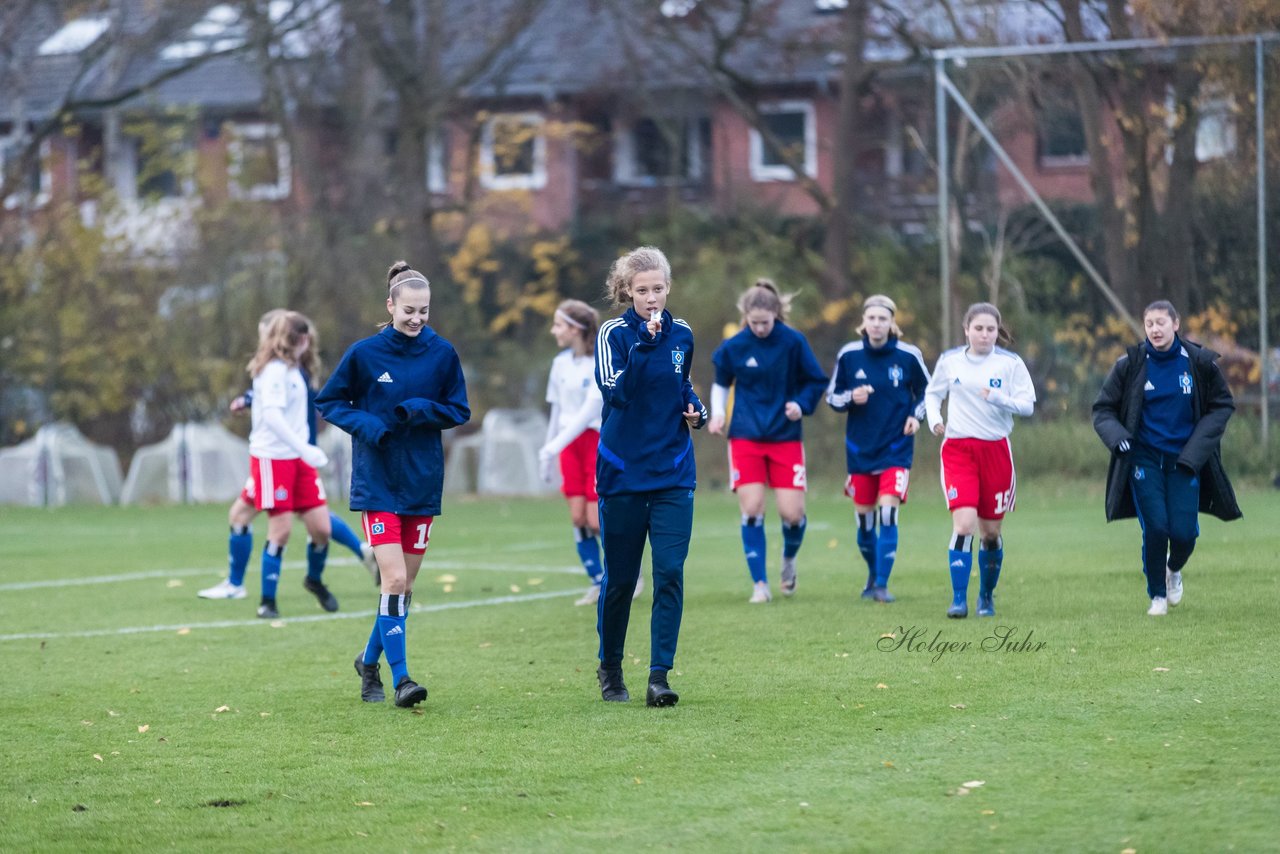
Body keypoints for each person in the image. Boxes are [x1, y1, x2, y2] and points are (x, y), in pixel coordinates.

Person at [317, 261, 470, 708]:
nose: (417, 319)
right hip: (378, 481)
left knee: (402, 587)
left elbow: (459, 409)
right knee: (394, 577)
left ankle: (368, 660)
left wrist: (419, 409)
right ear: (390, 305)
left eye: (424, 311)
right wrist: (368, 425)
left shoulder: (442, 354)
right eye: (408, 310)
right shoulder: (365, 354)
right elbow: (328, 401)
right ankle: (401, 679)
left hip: (422, 483)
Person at [199, 312, 379, 609]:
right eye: (301, 337)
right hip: (275, 458)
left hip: (298, 456)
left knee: (319, 527)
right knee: (277, 528)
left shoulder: (297, 368)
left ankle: (315, 579)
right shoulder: (273, 370)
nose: (307, 342)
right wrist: (304, 447)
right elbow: (271, 413)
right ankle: (265, 601)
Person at [594, 245, 706, 707]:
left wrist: (696, 408)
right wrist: (644, 344)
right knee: (621, 579)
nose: (652, 297)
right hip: (622, 473)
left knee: (670, 572)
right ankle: (610, 666)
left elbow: (681, 385)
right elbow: (616, 393)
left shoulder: (682, 334)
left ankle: (659, 675)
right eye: (642, 290)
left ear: (667, 288)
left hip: (673, 473)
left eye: (658, 288)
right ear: (627, 292)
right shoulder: (613, 335)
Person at [1092, 300, 1241, 616]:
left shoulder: (1198, 363)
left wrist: (1196, 451)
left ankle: (1173, 570)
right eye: (1149, 324)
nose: (1155, 329)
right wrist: (1119, 439)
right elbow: (1102, 409)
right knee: (1156, 528)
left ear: (1176, 324)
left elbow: (1222, 406)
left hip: (1184, 461)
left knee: (1185, 534)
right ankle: (1157, 596)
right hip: (1144, 460)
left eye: (1161, 322)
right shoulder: (1130, 364)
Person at [708, 279, 827, 603]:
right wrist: (718, 414)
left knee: (792, 514)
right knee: (752, 508)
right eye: (753, 322)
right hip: (745, 435)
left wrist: (800, 405)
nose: (759, 328)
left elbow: (816, 381)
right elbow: (720, 384)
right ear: (745, 316)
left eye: (765, 322)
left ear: (776, 314)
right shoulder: (734, 346)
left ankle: (788, 559)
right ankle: (759, 583)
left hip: (785, 437)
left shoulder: (793, 342)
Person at [924, 303, 1035, 619]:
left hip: (996, 452)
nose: (984, 334)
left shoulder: (1010, 364)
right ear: (966, 330)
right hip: (959, 450)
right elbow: (933, 394)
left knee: (990, 533)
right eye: (978, 328)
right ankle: (959, 599)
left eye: (990, 329)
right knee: (964, 525)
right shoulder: (950, 361)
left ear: (997, 331)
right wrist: (934, 420)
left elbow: (1027, 405)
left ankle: (986, 596)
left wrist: (1000, 399)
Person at [825, 294, 930, 603]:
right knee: (864, 521)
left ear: (892, 323)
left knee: (887, 513)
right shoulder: (849, 355)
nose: (876, 324)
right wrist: (850, 398)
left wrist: (915, 416)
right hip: (860, 451)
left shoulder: (909, 356)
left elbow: (928, 394)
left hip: (896, 449)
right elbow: (832, 397)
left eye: (883, 318)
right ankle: (873, 575)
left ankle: (882, 584)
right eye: (871, 318)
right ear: (863, 322)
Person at [538, 300, 608, 606]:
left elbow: (588, 412)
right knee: (578, 517)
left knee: (596, 519)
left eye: (558, 324)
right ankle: (597, 582)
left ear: (576, 329)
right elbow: (558, 412)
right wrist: (549, 451)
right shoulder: (560, 363)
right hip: (568, 447)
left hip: (594, 441)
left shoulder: (599, 363)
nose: (554, 331)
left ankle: (626, 573)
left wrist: (555, 444)